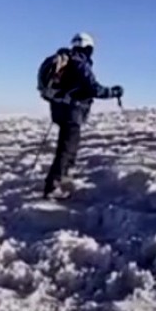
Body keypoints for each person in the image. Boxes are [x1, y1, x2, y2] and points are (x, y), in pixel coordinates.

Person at [40, 32, 123, 199]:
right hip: (73, 112)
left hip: (59, 110)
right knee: (67, 151)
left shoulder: (64, 59)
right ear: (88, 47)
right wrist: (114, 92)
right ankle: (54, 187)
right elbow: (94, 89)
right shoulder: (79, 62)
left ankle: (63, 184)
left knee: (65, 148)